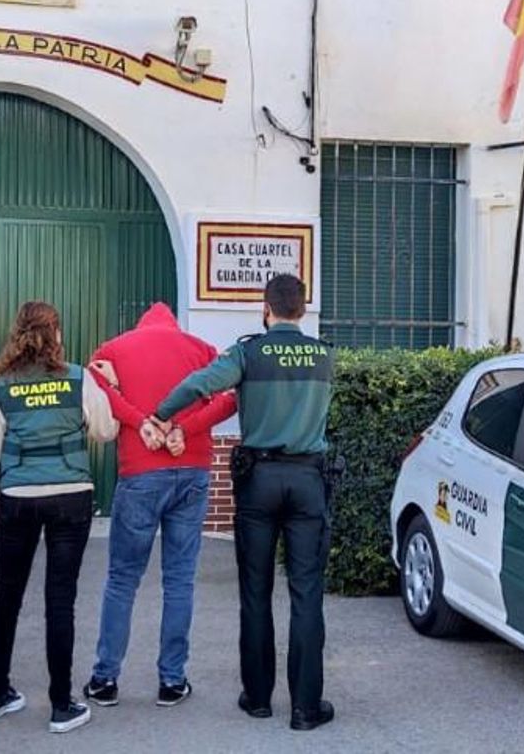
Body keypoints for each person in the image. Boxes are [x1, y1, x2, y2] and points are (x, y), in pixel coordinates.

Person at [150, 274, 338, 731]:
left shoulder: (249, 352)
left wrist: (160, 414)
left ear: (266, 309)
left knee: (255, 592)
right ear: (303, 308)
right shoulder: (326, 356)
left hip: (259, 481)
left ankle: (257, 698)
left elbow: (200, 385)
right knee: (306, 594)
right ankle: (305, 709)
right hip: (309, 479)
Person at [0, 301, 119, 735]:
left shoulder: (4, 383)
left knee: (7, 596)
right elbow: (106, 431)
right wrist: (107, 385)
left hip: (17, 497)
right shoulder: (79, 377)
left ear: (19, 334)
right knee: (60, 601)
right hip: (70, 498)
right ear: (56, 334)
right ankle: (61, 705)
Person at [81, 303, 236, 709]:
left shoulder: (114, 349)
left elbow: (97, 391)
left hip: (140, 474)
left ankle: (105, 679)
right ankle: (172, 680)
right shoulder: (201, 349)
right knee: (179, 580)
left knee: (122, 580)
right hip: (193, 471)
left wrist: (141, 422)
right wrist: (184, 429)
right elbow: (228, 401)